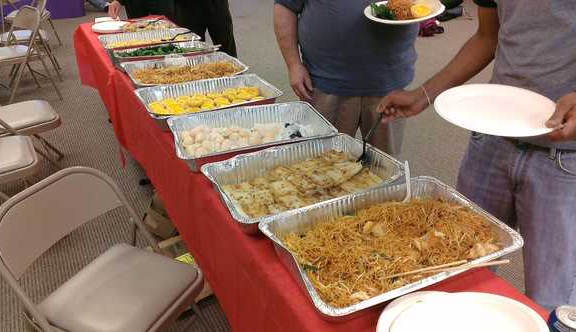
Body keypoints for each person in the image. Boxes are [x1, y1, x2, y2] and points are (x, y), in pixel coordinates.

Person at [378, 0, 576, 309]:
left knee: (550, 298)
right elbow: (487, 36)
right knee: (458, 270)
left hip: (563, 160)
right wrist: (423, 95)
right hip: (492, 135)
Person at [273, 0, 418, 156]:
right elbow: (285, 7)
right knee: (320, 164)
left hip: (390, 80)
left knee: (386, 166)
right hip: (325, 81)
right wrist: (293, 64)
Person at [108, 0, 237, 57]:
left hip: (214, 4)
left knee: (225, 44)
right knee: (191, 49)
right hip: (185, 6)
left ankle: (237, 83)